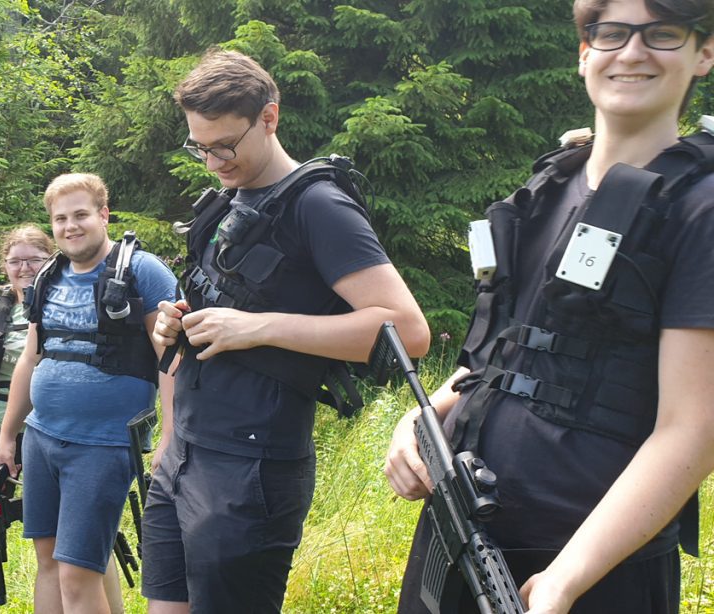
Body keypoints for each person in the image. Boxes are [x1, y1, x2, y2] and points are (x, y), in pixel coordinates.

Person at [384, 1, 714, 612]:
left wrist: (567, 578)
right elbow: (500, 358)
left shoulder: (701, 210)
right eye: (611, 33)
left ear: (704, 53)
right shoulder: (547, 190)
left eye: (662, 34)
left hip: (587, 571)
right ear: (584, 51)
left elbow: (693, 430)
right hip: (462, 532)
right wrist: (421, 418)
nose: (633, 52)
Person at [145, 49, 431, 613]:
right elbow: (214, 316)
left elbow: (408, 330)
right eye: (199, 147)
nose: (212, 162)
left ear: (269, 118)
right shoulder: (229, 199)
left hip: (251, 468)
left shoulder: (320, 205)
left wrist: (256, 327)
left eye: (224, 145)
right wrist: (170, 324)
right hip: (186, 453)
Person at [0, 172, 177, 613]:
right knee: (48, 563)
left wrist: (171, 435)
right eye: (60, 219)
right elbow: (30, 358)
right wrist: (7, 436)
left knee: (79, 572)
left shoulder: (141, 271)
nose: (70, 226)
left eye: (80, 215)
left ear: (104, 215)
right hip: (41, 438)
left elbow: (172, 360)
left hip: (104, 445)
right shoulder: (47, 278)